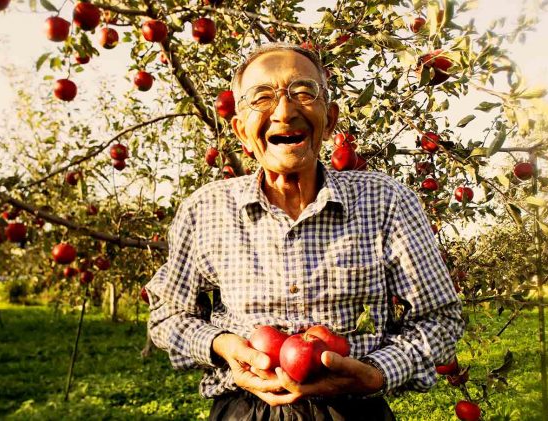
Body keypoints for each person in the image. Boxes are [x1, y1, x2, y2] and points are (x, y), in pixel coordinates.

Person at [146, 43, 464, 420]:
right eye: (261, 97)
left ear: (329, 121)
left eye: (303, 92)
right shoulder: (206, 209)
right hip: (243, 412)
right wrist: (222, 344)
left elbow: (440, 318)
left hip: (354, 412)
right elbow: (168, 314)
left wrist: (377, 372)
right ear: (241, 131)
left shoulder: (387, 201)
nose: (284, 111)